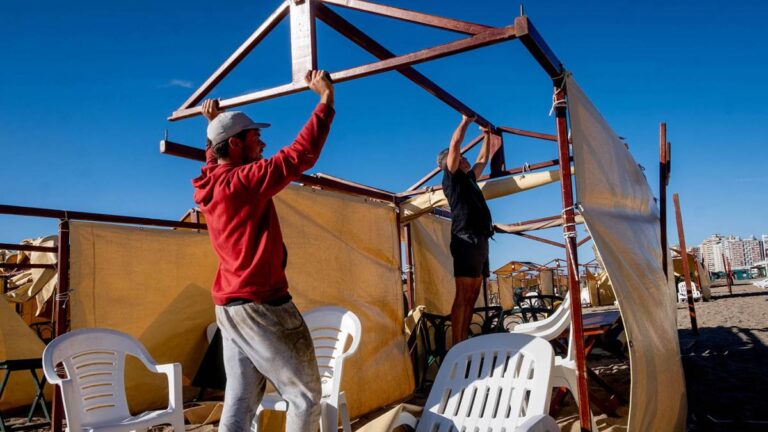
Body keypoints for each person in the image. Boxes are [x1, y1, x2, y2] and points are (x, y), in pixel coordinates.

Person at [192, 70, 335, 432]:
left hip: (229, 307)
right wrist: (325, 101)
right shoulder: (244, 181)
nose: (263, 144)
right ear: (236, 144)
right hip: (262, 304)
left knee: (240, 400)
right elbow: (299, 156)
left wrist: (214, 127)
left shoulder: (212, 183)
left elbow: (214, 160)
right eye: (256, 137)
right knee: (304, 398)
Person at [437, 114, 493, 345]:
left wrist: (487, 135)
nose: (467, 159)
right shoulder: (452, 178)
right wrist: (465, 121)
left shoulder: (469, 179)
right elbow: (455, 145)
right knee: (463, 295)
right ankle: (456, 345)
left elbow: (483, 158)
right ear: (453, 160)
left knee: (472, 296)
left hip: (480, 239)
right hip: (465, 238)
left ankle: (464, 342)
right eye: (462, 158)